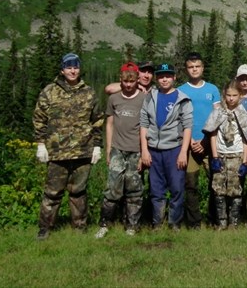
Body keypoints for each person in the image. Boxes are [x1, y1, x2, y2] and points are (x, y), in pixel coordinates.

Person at [34, 53, 104, 240]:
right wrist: (41, 144)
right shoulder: (49, 91)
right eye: (68, 67)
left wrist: (98, 146)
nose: (72, 71)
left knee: (78, 192)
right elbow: (39, 119)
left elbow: (97, 120)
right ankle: (45, 228)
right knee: (52, 193)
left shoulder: (89, 92)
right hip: (57, 152)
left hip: (83, 151)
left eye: (75, 67)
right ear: (62, 70)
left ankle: (79, 228)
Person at [95, 62, 146, 239]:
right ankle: (104, 224)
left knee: (134, 189)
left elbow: (145, 128)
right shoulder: (114, 99)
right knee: (112, 189)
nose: (128, 85)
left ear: (137, 81)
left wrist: (143, 153)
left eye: (132, 81)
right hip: (117, 149)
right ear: (121, 80)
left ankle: (132, 225)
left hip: (136, 150)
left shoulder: (143, 99)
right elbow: (109, 124)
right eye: (125, 81)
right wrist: (108, 149)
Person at [140, 63, 192, 230]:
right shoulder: (150, 97)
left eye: (168, 76)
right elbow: (144, 124)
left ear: (174, 77)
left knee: (177, 188)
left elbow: (187, 127)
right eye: (161, 76)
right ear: (157, 78)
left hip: (174, 148)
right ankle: (157, 223)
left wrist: (184, 152)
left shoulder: (182, 98)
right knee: (156, 189)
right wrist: (144, 150)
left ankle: (174, 223)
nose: (164, 79)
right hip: (154, 149)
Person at [178, 52, 221, 229]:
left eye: (197, 66)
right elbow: (178, 119)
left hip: (210, 143)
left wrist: (204, 141)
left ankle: (214, 218)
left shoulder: (212, 89)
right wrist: (189, 142)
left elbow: (217, 115)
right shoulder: (181, 90)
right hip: (188, 144)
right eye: (191, 67)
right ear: (186, 69)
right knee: (190, 184)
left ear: (203, 68)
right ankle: (194, 222)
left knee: (215, 183)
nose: (194, 69)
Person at [204, 80, 247, 229]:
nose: (231, 98)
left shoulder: (243, 113)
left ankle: (234, 222)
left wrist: (245, 160)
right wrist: (215, 156)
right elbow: (213, 134)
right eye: (228, 95)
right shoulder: (218, 112)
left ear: (240, 96)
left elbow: (246, 137)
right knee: (218, 189)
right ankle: (221, 222)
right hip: (221, 155)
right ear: (224, 95)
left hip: (236, 155)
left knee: (235, 189)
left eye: (234, 95)